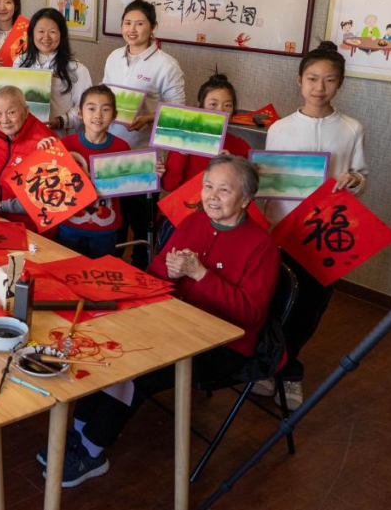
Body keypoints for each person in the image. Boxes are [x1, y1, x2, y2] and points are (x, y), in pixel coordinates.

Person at [44, 156, 278, 488]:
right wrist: (168, 270)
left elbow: (251, 314)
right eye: (208, 186)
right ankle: (80, 435)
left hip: (224, 345)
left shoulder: (261, 246)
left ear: (245, 199)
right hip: (173, 321)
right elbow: (155, 276)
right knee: (106, 344)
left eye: (224, 190)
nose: (212, 196)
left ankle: (92, 452)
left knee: (138, 367)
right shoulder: (195, 221)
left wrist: (201, 275)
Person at [254, 41, 367, 411]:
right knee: (277, 300)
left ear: (340, 83)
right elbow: (269, 180)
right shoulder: (281, 128)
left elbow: (360, 175)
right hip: (283, 230)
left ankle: (289, 371)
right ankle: (268, 367)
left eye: (329, 80)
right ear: (299, 80)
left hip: (326, 234)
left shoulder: (351, 129)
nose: (320, 87)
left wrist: (354, 180)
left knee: (311, 306)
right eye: (313, 78)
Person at [102, 0, 185, 268]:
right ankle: (111, 268)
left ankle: (141, 271)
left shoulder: (166, 65)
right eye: (127, 23)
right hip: (112, 150)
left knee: (141, 223)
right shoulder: (114, 57)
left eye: (139, 23)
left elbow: (178, 115)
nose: (132, 29)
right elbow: (105, 94)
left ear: (153, 28)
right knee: (113, 219)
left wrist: (148, 119)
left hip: (144, 157)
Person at [36, 85, 131, 258]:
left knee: (100, 272)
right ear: (80, 113)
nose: (98, 115)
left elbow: (130, 185)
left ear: (114, 115)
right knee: (68, 269)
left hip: (105, 229)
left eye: (105, 109)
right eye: (92, 108)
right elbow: (48, 179)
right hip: (69, 226)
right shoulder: (66, 144)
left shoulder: (122, 148)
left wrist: (150, 170)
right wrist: (43, 150)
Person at [0, 86, 54, 226]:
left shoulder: (45, 142)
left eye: (11, 112)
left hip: (30, 225)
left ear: (26, 111)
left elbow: (44, 200)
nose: (4, 120)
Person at [160, 73, 251, 192]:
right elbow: (168, 185)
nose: (221, 110)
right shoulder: (184, 139)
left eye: (227, 105)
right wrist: (182, 152)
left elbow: (248, 191)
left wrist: (232, 167)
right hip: (188, 203)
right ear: (200, 106)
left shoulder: (241, 146)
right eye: (213, 104)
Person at [14, 7, 92, 135]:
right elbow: (12, 97)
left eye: (52, 32)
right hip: (25, 134)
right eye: (41, 31)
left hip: (60, 136)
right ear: (32, 33)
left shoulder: (76, 69)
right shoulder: (20, 62)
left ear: (62, 35)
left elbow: (85, 108)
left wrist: (60, 121)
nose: (46, 37)